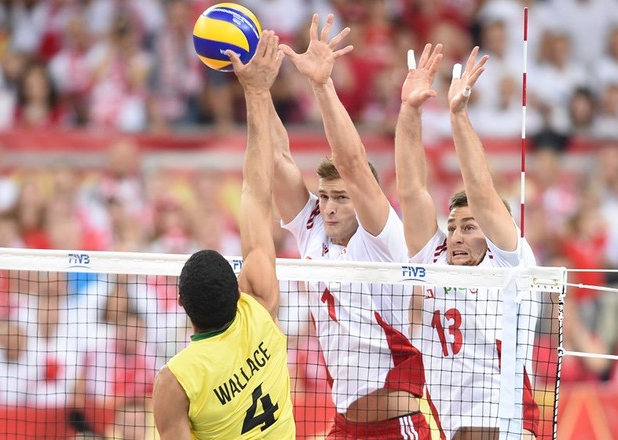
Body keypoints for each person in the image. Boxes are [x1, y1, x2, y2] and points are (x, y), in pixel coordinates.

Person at [276, 13, 433, 439]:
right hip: (342, 426)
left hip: (395, 428)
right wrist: (257, 90)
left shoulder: (381, 237)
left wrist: (322, 85)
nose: (327, 208)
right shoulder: (312, 230)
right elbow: (277, 160)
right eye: (324, 197)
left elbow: (351, 163)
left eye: (341, 198)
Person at [151, 31, 295, 439]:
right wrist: (255, 91)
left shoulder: (175, 380)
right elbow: (256, 192)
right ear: (238, 288)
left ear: (182, 304)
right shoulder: (261, 309)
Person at [395, 46, 540, 439]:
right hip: (454, 424)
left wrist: (457, 116)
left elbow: (481, 192)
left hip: (504, 419)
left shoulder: (508, 262)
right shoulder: (436, 257)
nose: (457, 235)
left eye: (470, 227)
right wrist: (410, 111)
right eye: (454, 226)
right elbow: (411, 190)